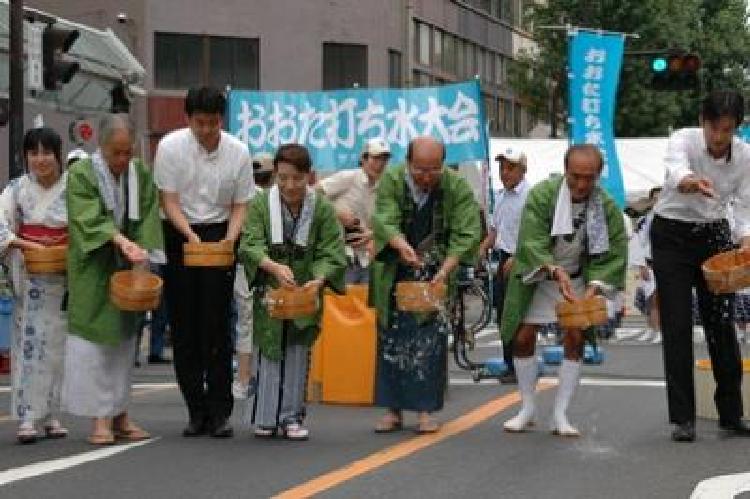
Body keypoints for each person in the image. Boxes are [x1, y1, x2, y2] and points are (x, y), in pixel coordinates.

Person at [501, 144, 627, 437]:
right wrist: (553, 270)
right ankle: (527, 407)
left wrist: (595, 286)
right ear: (565, 170)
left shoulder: (605, 205)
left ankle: (560, 413)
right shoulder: (543, 195)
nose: (582, 184)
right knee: (522, 337)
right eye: (575, 177)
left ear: (598, 175)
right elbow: (531, 241)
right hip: (540, 275)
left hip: (580, 277)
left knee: (574, 337)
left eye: (589, 177)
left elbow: (613, 254)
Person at [154, 86, 254, 438]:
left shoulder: (238, 151)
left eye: (213, 123)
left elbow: (241, 203)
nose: (207, 130)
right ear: (187, 119)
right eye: (200, 123)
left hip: (221, 232)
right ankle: (195, 410)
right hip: (180, 232)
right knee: (184, 325)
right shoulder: (169, 147)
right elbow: (168, 200)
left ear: (221, 119)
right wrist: (190, 236)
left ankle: (220, 411)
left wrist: (230, 237)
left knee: (217, 323)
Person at [650, 90, 750, 442]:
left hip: (714, 235)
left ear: (737, 127)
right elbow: (676, 169)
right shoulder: (684, 140)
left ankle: (731, 414)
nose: (719, 137)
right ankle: (682, 419)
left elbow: (744, 206)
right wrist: (691, 181)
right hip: (671, 234)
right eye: (713, 128)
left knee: (722, 323)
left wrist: (745, 238)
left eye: (727, 129)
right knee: (677, 325)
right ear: (702, 122)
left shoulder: (744, 156)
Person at [63, 114, 163, 445]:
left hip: (129, 265)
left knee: (124, 343)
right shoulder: (81, 174)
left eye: (126, 153)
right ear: (101, 148)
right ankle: (99, 419)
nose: (121, 160)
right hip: (94, 267)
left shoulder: (140, 173)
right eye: (114, 153)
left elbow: (148, 215)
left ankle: (120, 414)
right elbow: (85, 217)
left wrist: (143, 255)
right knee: (95, 345)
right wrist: (120, 241)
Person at [370, 136, 481, 433]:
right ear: (408, 163)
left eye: (434, 170)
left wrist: (445, 271)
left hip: (436, 269)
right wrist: (398, 243)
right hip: (396, 268)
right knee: (391, 337)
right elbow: (383, 218)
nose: (427, 177)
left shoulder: (455, 186)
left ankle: (425, 410)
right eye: (420, 170)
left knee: (430, 340)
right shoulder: (393, 180)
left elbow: (467, 231)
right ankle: (392, 410)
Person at [238, 143, 346, 440]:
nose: (289, 185)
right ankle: (265, 416)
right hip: (271, 290)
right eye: (282, 177)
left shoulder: (320, 207)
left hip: (304, 289)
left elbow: (331, 250)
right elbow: (250, 243)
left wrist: (320, 279)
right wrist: (271, 266)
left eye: (297, 178)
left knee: (298, 350)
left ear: (308, 176)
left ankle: (291, 416)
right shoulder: (261, 205)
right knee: (269, 349)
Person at [0, 127, 69, 444]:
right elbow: (2, 224)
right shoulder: (16, 189)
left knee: (57, 344)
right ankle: (27, 416)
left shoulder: (73, 188)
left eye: (46, 152)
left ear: (58, 155)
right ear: (26, 157)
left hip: (63, 275)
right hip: (28, 274)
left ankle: (51, 413)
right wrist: (23, 244)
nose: (40, 160)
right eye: (33, 153)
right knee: (28, 344)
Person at [477, 147, 530, 384]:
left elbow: (535, 233)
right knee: (502, 313)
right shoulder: (499, 197)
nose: (505, 173)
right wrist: (482, 247)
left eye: (510, 168)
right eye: (502, 168)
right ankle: (511, 363)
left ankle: (521, 364)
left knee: (520, 316)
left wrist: (519, 256)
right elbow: (495, 231)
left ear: (522, 170)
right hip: (502, 257)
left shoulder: (530, 196)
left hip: (523, 259)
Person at [317, 138, 391, 283]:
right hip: (341, 255)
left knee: (366, 302)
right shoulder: (348, 177)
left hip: (367, 258)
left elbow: (387, 222)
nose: (380, 164)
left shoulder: (384, 187)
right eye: (375, 158)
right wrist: (336, 212)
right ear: (363, 159)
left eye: (384, 159)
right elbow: (312, 194)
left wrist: (373, 234)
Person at [232, 153, 275, 400]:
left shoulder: (242, 197)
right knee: (262, 320)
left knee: (245, 321)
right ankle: (252, 376)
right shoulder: (268, 199)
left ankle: (244, 378)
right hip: (265, 265)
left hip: (242, 265)